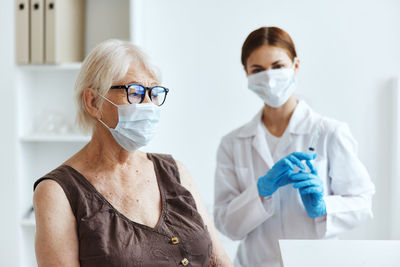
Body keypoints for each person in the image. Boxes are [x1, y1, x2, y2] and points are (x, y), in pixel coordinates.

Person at [33, 39, 232, 267]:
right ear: (93, 101)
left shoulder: (174, 171)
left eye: (154, 92)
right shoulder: (57, 191)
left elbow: (220, 260)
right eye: (135, 92)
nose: (148, 104)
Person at [213, 26, 375, 267]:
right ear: (246, 73)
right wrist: (259, 192)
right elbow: (226, 224)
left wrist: (323, 207)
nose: (269, 78)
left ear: (295, 65)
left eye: (278, 66)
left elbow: (362, 202)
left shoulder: (330, 132)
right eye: (257, 70)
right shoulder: (232, 143)